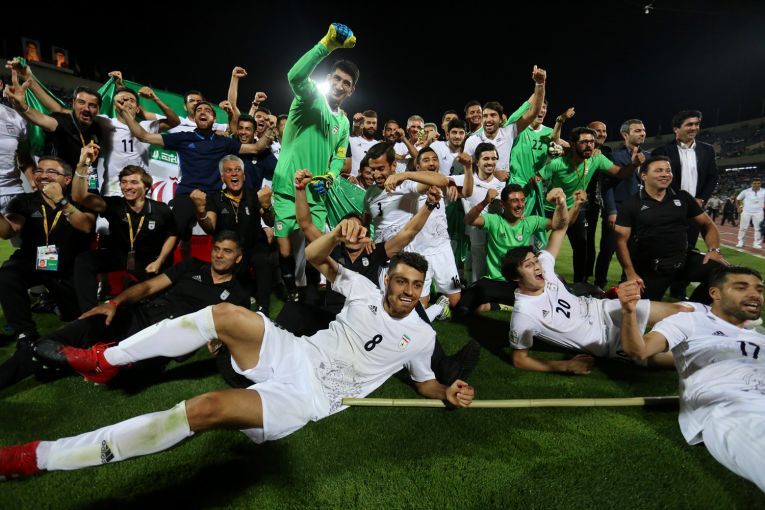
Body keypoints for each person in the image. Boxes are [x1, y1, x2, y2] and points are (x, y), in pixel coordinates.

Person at [0, 221, 474, 480]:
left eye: (416, 284)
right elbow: (314, 257)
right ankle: (105, 361)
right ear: (387, 280)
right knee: (225, 315)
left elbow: (425, 382)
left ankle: (37, 457)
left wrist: (446, 392)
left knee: (203, 409)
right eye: (401, 281)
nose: (407, 291)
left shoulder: (423, 337)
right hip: (297, 352)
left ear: (423, 288)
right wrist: (336, 234)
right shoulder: (365, 289)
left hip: (311, 397)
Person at [0, 231, 250, 389]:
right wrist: (114, 303)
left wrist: (218, 342)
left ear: (238, 258)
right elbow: (149, 287)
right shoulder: (192, 266)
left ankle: (71, 362)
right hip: (138, 315)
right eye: (217, 249)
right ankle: (55, 358)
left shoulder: (238, 295)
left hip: (164, 339)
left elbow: (230, 332)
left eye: (227, 251)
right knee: (49, 343)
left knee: (121, 374)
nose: (219, 255)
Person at [617, 265, 765, 492]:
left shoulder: (759, 339)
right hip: (730, 407)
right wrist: (629, 312)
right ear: (715, 293)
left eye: (759, 289)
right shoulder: (690, 321)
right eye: (741, 287)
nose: (755, 294)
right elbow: (639, 350)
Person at [504, 196, 693, 374]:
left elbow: (560, 229)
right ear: (515, 277)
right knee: (689, 357)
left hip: (606, 309)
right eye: (529, 265)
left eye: (535, 261)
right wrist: (565, 365)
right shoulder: (524, 314)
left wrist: (561, 204)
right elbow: (519, 360)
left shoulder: (544, 268)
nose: (537, 267)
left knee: (682, 310)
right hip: (607, 342)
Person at [270, 23, 358, 302]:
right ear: (328, 78)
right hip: (287, 187)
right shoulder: (310, 98)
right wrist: (326, 46)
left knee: (316, 246)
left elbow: (339, 156)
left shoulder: (344, 122)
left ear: (351, 90)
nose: (340, 85)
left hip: (316, 193)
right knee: (285, 250)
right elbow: (294, 75)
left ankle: (311, 298)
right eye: (337, 79)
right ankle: (289, 293)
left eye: (346, 83)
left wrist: (330, 177)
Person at [71, 144, 178, 312]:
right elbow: (79, 196)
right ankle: (89, 314)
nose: (127, 187)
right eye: (124, 182)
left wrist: (160, 261)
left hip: (148, 261)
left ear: (146, 187)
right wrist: (82, 165)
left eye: (134, 182)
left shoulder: (161, 209)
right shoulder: (114, 205)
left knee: (153, 307)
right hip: (120, 256)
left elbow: (173, 234)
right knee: (84, 261)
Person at [0, 156, 95, 341]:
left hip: (68, 266)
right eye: (39, 170)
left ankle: (55, 304)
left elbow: (85, 226)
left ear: (67, 179)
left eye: (51, 171)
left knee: (77, 318)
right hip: (33, 261)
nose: (43, 175)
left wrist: (60, 200)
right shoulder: (24, 201)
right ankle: (25, 335)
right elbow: (8, 231)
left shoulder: (80, 198)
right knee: (7, 274)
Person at [614, 156, 728, 302]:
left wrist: (714, 250)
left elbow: (707, 224)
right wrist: (630, 273)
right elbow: (620, 242)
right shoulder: (631, 204)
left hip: (683, 260)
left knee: (723, 272)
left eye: (668, 170)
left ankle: (695, 308)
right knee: (640, 309)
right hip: (650, 269)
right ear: (644, 176)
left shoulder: (683, 197)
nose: (665, 174)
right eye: (658, 170)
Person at [538, 126, 642, 283]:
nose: (589, 145)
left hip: (575, 209)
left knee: (582, 247)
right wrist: (544, 197)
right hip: (549, 209)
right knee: (539, 245)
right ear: (573, 144)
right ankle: (537, 281)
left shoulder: (596, 159)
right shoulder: (557, 163)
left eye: (592, 142)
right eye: (584, 142)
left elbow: (619, 173)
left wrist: (633, 165)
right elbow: (537, 180)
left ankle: (579, 285)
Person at [456, 185, 574, 316]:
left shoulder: (530, 222)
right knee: (464, 304)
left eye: (522, 200)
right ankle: (503, 305)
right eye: (514, 201)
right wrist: (485, 202)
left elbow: (559, 225)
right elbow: (468, 220)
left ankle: (496, 305)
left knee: (541, 291)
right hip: (495, 280)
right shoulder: (494, 220)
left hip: (519, 282)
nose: (520, 205)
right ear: (503, 204)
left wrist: (566, 205)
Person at [191, 155, 274, 314]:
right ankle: (241, 299)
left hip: (254, 246)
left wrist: (267, 206)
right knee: (232, 264)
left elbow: (270, 221)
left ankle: (264, 309)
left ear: (244, 175)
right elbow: (210, 227)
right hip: (230, 250)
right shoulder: (215, 199)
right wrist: (201, 212)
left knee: (262, 259)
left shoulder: (254, 195)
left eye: (237, 170)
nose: (234, 174)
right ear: (222, 177)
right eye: (229, 171)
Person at [594, 119, 650, 289]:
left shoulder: (649, 157)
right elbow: (607, 186)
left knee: (634, 251)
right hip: (618, 210)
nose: (642, 133)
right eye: (637, 130)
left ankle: (626, 283)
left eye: (643, 130)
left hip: (640, 212)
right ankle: (599, 285)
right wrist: (611, 210)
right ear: (625, 135)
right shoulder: (615, 156)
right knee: (607, 250)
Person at [463, 66, 547, 171]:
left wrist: (540, 84)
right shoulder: (472, 140)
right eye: (485, 116)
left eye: (493, 115)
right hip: (481, 182)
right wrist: (495, 173)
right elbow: (466, 169)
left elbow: (533, 113)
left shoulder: (508, 132)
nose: (488, 119)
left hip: (506, 181)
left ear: (500, 119)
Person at [362, 142, 449, 243]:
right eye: (373, 169)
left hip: (405, 251)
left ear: (394, 165)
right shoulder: (370, 193)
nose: (376, 175)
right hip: (380, 250)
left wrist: (406, 175)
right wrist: (366, 240)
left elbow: (443, 180)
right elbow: (365, 223)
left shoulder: (407, 186)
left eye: (381, 169)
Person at [451, 142, 503, 283]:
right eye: (486, 159)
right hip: (474, 236)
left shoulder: (502, 184)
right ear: (477, 161)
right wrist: (451, 185)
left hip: (496, 239)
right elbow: (442, 180)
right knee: (476, 273)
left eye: (493, 158)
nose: (490, 162)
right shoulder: (466, 179)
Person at [735, 178, 765, 249]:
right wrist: (738, 207)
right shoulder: (746, 191)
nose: (756, 185)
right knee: (743, 228)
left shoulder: (764, 191)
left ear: (760, 184)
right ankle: (741, 242)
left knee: (758, 228)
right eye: (755, 183)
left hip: (759, 212)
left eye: (758, 183)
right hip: (746, 211)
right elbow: (738, 199)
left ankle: (756, 243)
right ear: (751, 184)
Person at [349, 110, 378, 176]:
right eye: (368, 123)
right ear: (362, 125)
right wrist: (355, 124)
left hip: (371, 182)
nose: (371, 125)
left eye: (374, 123)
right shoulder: (352, 140)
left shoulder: (379, 145)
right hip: (351, 181)